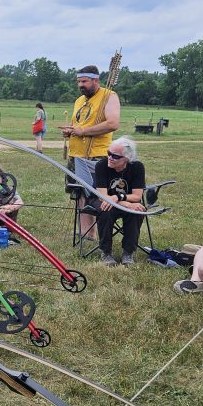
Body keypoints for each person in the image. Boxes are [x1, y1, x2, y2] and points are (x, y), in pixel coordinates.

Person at [60, 65, 120, 240]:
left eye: (84, 81)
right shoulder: (79, 100)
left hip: (97, 155)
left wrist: (83, 131)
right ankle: (86, 233)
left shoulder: (109, 96)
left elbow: (112, 124)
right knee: (79, 193)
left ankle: (98, 233)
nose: (81, 85)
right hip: (76, 154)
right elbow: (79, 125)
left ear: (96, 80)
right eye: (79, 81)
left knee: (95, 196)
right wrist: (71, 131)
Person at [93, 137, 146, 266]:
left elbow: (137, 196)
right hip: (103, 201)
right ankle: (106, 252)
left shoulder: (137, 167)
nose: (110, 158)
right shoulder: (101, 165)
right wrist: (127, 203)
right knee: (106, 210)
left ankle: (128, 252)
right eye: (108, 153)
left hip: (120, 201)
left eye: (115, 156)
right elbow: (103, 197)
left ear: (126, 159)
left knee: (136, 212)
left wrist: (117, 197)